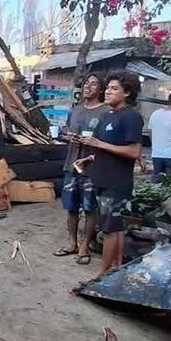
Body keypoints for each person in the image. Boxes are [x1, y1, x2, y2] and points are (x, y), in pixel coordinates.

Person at [76, 71, 144, 277]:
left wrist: (99, 144)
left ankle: (103, 274)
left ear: (127, 93)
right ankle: (115, 267)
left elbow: (134, 152)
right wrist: (88, 159)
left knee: (110, 229)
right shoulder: (106, 116)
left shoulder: (131, 117)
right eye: (108, 88)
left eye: (114, 89)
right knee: (112, 226)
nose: (108, 92)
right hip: (100, 179)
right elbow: (103, 150)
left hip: (117, 182)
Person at [53, 73, 107, 265]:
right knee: (71, 206)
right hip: (71, 164)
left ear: (101, 89)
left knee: (90, 207)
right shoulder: (75, 110)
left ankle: (85, 246)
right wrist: (69, 136)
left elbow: (109, 142)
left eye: (94, 84)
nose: (88, 87)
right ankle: (71, 243)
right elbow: (66, 131)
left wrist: (93, 142)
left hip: (92, 167)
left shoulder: (105, 112)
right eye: (86, 83)